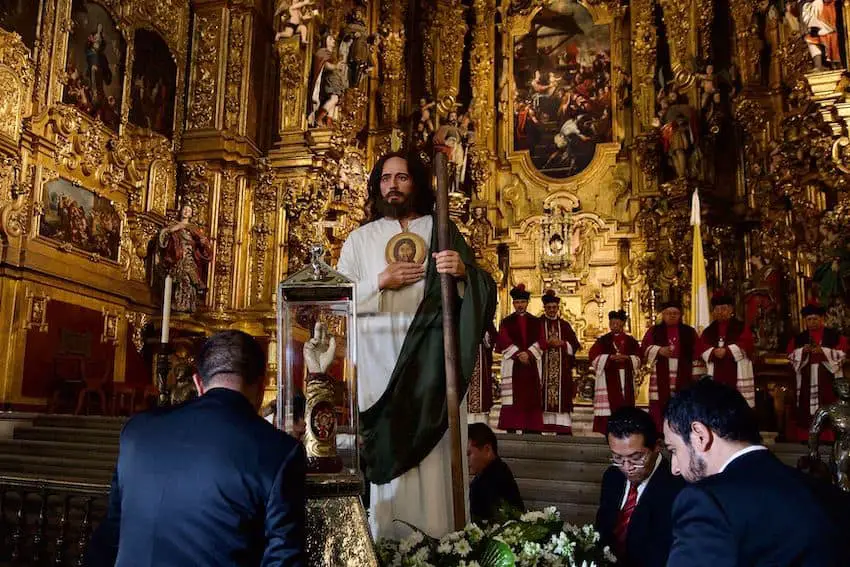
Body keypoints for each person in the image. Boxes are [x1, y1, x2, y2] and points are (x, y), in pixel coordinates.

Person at [336, 152, 496, 540]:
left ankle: (445, 542)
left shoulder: (440, 230)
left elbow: (482, 289)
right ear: (377, 186)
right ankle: (388, 543)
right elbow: (337, 301)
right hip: (381, 373)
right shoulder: (360, 240)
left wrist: (462, 273)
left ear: (417, 184)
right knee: (392, 465)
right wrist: (379, 282)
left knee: (439, 460)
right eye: (386, 177)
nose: (393, 184)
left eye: (402, 177)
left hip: (434, 369)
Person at [86, 331, 306, 566]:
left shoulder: (137, 431)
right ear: (261, 389)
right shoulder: (281, 451)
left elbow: (110, 534)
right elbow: (283, 559)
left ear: (198, 383)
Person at [663, 379, 849, 566]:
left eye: (673, 450)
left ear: (700, 435)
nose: (675, 468)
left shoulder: (708, 502)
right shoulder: (830, 494)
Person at [595, 407, 683, 567]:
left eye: (636, 458)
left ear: (657, 446)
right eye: (617, 457)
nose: (627, 467)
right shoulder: (612, 476)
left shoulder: (676, 489)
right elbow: (602, 533)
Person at [787, 302, 848, 441]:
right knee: (805, 409)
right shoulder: (799, 338)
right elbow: (790, 356)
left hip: (827, 377)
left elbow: (842, 354)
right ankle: (807, 437)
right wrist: (803, 351)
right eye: (809, 319)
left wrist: (823, 351)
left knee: (828, 406)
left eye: (815, 319)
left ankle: (829, 437)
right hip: (806, 379)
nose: (812, 322)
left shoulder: (834, 336)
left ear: (822, 319)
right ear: (805, 321)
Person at [640, 300, 700, 431]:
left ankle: (682, 430)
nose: (672, 316)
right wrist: (659, 350)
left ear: (680, 315)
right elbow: (643, 348)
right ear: (663, 315)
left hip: (684, 371)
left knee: (683, 401)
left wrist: (696, 374)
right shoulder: (654, 331)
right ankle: (659, 431)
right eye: (668, 313)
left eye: (675, 313)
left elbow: (697, 351)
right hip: (660, 371)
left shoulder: (689, 332)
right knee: (658, 403)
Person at [496, 284, 546, 433]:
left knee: (531, 395)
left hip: (531, 365)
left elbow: (542, 340)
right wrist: (519, 354)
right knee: (513, 397)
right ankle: (511, 425)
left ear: (527, 303)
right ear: (513, 304)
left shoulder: (536, 321)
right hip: (513, 364)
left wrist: (529, 353)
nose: (520, 305)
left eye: (522, 302)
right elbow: (502, 339)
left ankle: (532, 427)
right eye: (517, 302)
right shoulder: (506, 322)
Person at [698, 291, 755, 407]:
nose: (720, 312)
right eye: (717, 310)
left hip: (738, 371)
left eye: (723, 309)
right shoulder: (709, 331)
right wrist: (713, 352)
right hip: (715, 370)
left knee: (738, 407)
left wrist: (727, 351)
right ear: (713, 312)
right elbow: (701, 346)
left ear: (731, 310)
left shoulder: (741, 327)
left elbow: (747, 343)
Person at [589, 310, 642, 434]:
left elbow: (639, 358)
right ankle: (605, 430)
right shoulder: (603, 340)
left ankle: (625, 430)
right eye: (612, 323)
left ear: (622, 323)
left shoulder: (630, 340)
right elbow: (592, 356)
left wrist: (627, 358)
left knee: (625, 404)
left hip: (625, 377)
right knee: (608, 406)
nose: (614, 326)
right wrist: (609, 357)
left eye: (617, 323)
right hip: (607, 378)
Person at [539, 290, 582, 435]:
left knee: (561, 395)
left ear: (558, 308)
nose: (551, 310)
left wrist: (562, 343)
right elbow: (532, 343)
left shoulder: (564, 325)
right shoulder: (538, 324)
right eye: (549, 307)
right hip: (542, 368)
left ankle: (562, 426)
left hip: (562, 370)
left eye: (554, 307)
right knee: (542, 395)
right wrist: (546, 343)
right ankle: (543, 425)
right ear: (544, 308)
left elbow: (574, 344)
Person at [467, 423, 524, 524]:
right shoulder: (493, 471)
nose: (466, 460)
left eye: (469, 454)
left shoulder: (496, 477)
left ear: (487, 450)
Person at [468, 322, 497, 424]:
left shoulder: (486, 321)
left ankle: (481, 423)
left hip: (482, 362)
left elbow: (493, 338)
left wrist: (485, 336)